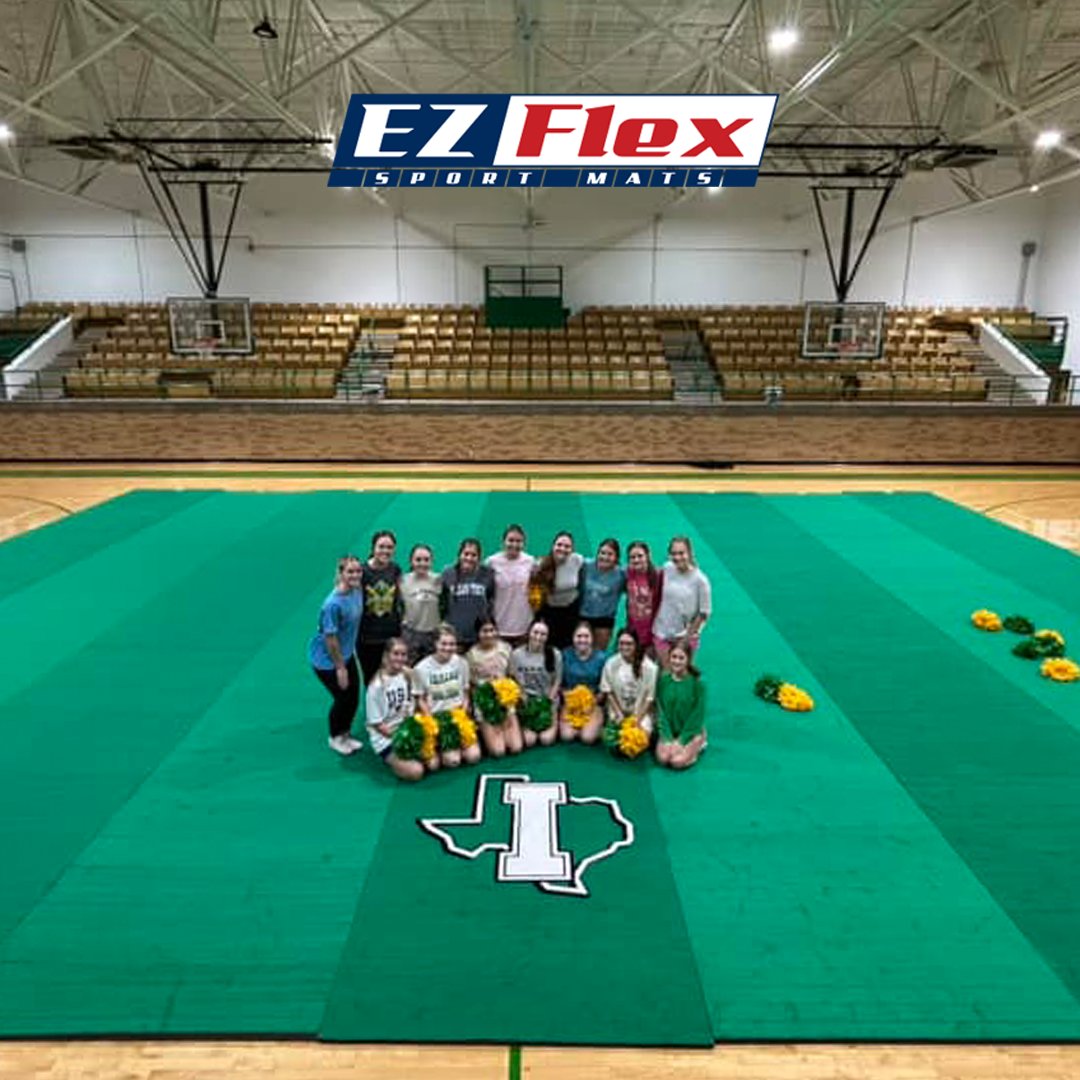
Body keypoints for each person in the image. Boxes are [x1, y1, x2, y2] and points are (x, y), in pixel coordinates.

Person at [308, 554, 364, 756]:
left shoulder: (357, 590)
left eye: (358, 571)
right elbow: (330, 640)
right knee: (342, 699)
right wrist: (340, 668)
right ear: (341, 574)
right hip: (327, 660)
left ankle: (345, 734)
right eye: (350, 571)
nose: (355, 575)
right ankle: (335, 736)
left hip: (347, 653)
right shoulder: (332, 604)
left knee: (354, 696)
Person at [366, 638, 437, 781]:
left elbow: (418, 698)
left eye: (403, 654)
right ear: (386, 656)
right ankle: (391, 760)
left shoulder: (407, 674)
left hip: (409, 728)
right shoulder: (376, 687)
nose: (400, 658)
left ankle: (407, 758)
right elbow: (378, 725)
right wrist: (404, 736)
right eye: (395, 654)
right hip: (388, 738)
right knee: (416, 772)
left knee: (434, 764)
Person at [412, 624, 481, 768]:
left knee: (474, 756)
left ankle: (455, 748)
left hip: (457, 716)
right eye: (443, 643)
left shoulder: (462, 663)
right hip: (436, 718)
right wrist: (431, 721)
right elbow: (420, 699)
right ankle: (440, 750)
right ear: (435, 644)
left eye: (452, 644)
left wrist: (463, 712)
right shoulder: (420, 668)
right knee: (446, 763)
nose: (448, 648)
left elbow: (466, 692)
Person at [652, 536, 711, 669]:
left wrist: (684, 642)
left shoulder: (701, 580)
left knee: (682, 675)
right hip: (662, 632)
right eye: (673, 553)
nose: (677, 557)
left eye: (681, 553)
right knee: (666, 675)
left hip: (686, 637)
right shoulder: (667, 568)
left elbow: (704, 614)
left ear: (689, 553)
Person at [467, 617, 522, 757]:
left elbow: (512, 677)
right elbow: (472, 686)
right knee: (499, 751)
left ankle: (504, 731)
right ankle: (488, 736)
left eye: (492, 630)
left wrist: (510, 697)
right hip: (485, 705)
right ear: (478, 633)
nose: (489, 634)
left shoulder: (506, 648)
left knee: (516, 747)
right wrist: (481, 704)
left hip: (505, 701)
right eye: (485, 631)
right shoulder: (471, 655)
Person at [358, 530, 403, 685]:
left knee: (392, 678)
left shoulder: (395, 569)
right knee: (371, 681)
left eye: (389, 547)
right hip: (367, 638)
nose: (385, 551)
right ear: (373, 548)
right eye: (381, 547)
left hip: (391, 636)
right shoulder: (362, 572)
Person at [509, 618, 561, 748]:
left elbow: (557, 681)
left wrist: (548, 702)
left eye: (543, 634)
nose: (538, 637)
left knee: (546, 740)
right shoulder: (516, 654)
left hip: (547, 700)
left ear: (547, 637)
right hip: (526, 701)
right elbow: (513, 679)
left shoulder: (555, 654)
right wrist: (522, 696)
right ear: (529, 633)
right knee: (529, 740)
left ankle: (555, 722)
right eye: (535, 632)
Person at [654, 643, 707, 769]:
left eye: (681, 658)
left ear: (688, 660)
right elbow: (660, 711)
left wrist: (681, 740)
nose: (676, 661)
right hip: (670, 731)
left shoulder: (698, 684)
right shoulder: (663, 681)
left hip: (690, 730)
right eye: (674, 657)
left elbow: (697, 715)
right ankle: (683, 748)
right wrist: (667, 737)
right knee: (663, 759)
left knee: (676, 762)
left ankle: (699, 741)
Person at [600, 626, 658, 735]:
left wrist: (637, 719)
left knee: (638, 737)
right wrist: (618, 713)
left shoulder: (650, 668)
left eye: (629, 644)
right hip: (618, 710)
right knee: (614, 737)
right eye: (621, 643)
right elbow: (608, 691)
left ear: (636, 645)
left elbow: (650, 698)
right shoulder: (611, 663)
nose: (624, 647)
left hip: (640, 712)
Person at [440, 537, 495, 651]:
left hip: (479, 638)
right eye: (466, 554)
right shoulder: (448, 573)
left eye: (473, 555)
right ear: (459, 555)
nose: (469, 558)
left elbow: (491, 600)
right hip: (454, 638)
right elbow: (441, 603)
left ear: (479, 557)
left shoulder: (488, 574)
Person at [533, 531, 585, 649]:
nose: (563, 549)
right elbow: (535, 596)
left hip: (571, 612)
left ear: (572, 549)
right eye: (559, 545)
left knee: (569, 647)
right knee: (549, 648)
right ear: (553, 546)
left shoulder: (578, 560)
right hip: (550, 613)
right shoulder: (540, 564)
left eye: (567, 546)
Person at [486, 524, 536, 646]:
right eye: (511, 540)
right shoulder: (491, 562)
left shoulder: (531, 562)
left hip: (524, 627)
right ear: (503, 542)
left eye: (519, 541)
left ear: (524, 543)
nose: (514, 544)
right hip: (498, 627)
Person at [559, 621, 607, 744]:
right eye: (579, 636)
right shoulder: (565, 654)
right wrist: (570, 699)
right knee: (567, 736)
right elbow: (560, 684)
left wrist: (591, 703)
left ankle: (597, 725)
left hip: (593, 703)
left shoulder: (602, 658)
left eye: (586, 636)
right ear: (573, 638)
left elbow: (604, 689)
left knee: (587, 738)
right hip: (570, 703)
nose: (582, 640)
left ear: (592, 639)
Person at [578, 537, 627, 652]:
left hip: (604, 620)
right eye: (602, 553)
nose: (605, 557)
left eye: (610, 554)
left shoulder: (621, 574)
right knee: (581, 650)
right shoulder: (585, 566)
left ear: (616, 558)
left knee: (599, 653)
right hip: (583, 617)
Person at [401, 543, 441, 664]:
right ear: (411, 561)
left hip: (433, 634)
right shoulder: (402, 580)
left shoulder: (439, 580)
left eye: (426, 560)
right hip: (411, 634)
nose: (422, 563)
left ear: (432, 561)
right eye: (418, 560)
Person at [625, 540, 663, 655]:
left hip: (652, 632)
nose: (636, 560)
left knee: (649, 667)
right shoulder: (629, 572)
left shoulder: (658, 575)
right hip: (633, 629)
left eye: (640, 556)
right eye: (632, 557)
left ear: (648, 556)